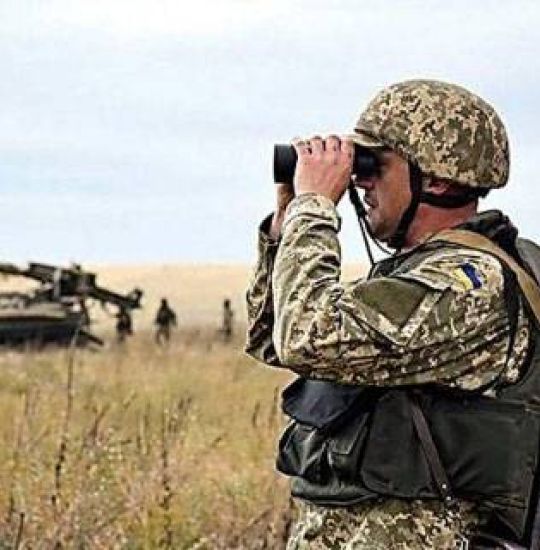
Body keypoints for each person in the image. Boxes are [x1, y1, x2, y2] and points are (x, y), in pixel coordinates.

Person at [245, 79, 540, 549]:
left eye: (375, 165)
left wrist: (314, 210)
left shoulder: (471, 283)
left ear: (437, 180)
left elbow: (307, 338)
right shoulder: (414, 276)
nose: (359, 181)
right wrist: (286, 229)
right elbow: (274, 340)